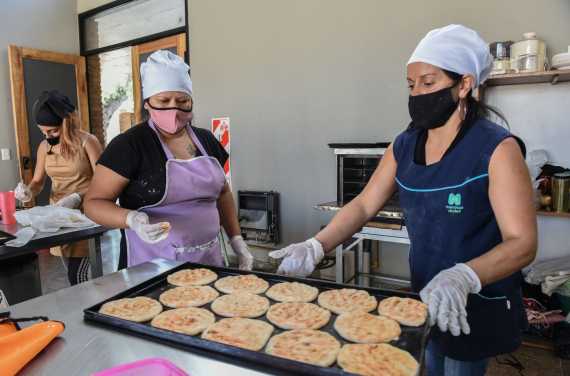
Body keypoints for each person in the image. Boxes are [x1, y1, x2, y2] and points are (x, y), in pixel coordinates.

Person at [269, 25, 537, 375]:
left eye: (428, 83)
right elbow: (364, 204)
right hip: (425, 292)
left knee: (459, 369)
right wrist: (317, 245)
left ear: (465, 84)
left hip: (477, 300)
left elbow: (523, 243)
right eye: (411, 85)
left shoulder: (497, 148)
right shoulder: (406, 143)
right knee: (429, 364)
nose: (417, 94)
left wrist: (463, 277)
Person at [84, 50, 253, 271]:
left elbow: (223, 194)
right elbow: (93, 203)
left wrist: (236, 240)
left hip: (209, 262)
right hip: (151, 267)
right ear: (147, 102)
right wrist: (131, 219)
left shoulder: (207, 140)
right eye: (163, 101)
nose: (173, 108)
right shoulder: (130, 146)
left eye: (182, 100)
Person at [14, 90, 103, 285]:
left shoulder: (88, 142)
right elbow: (38, 182)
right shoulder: (44, 147)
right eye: (43, 132)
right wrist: (28, 192)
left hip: (84, 215)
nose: (48, 136)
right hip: (59, 218)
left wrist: (78, 197)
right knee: (69, 269)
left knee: (77, 274)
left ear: (66, 123)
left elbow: (103, 182)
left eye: (53, 131)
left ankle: (89, 308)